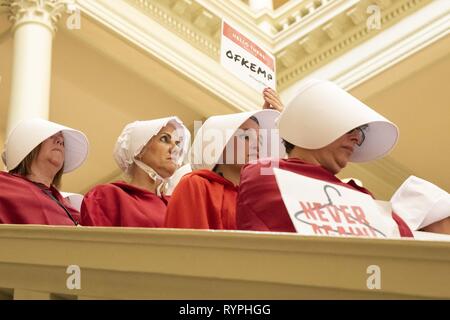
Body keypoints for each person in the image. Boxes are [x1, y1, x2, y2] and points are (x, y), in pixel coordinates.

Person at [236, 79, 413, 237]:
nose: (357, 138)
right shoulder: (264, 173)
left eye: (360, 133)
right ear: (313, 123)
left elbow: (405, 240)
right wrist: (292, 123)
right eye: (349, 128)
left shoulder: (361, 194)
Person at [164, 88, 284, 230]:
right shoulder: (195, 184)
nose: (256, 145)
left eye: (259, 140)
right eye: (246, 137)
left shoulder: (258, 199)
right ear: (219, 145)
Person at [80, 117, 190, 227]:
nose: (175, 149)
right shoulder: (107, 196)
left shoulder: (176, 206)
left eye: (177, 143)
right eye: (165, 139)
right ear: (139, 150)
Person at [0, 118, 89, 225]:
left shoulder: (71, 210)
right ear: (28, 145)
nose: (60, 141)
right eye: (51, 136)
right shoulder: (3, 185)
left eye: (63, 142)